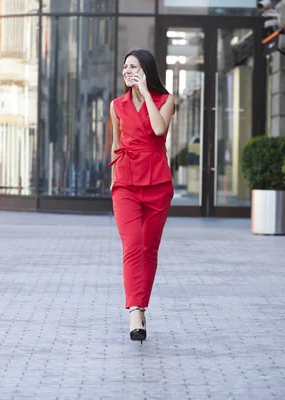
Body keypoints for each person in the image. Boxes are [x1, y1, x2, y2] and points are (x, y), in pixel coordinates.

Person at [108, 48, 175, 342]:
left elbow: (159, 130)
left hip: (158, 184)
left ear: (146, 70)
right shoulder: (116, 105)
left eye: (134, 67)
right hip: (126, 183)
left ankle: (141, 306)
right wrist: (114, 182)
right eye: (125, 68)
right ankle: (135, 310)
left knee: (149, 249)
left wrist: (145, 92)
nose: (128, 72)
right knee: (133, 245)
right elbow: (114, 143)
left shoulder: (165, 100)